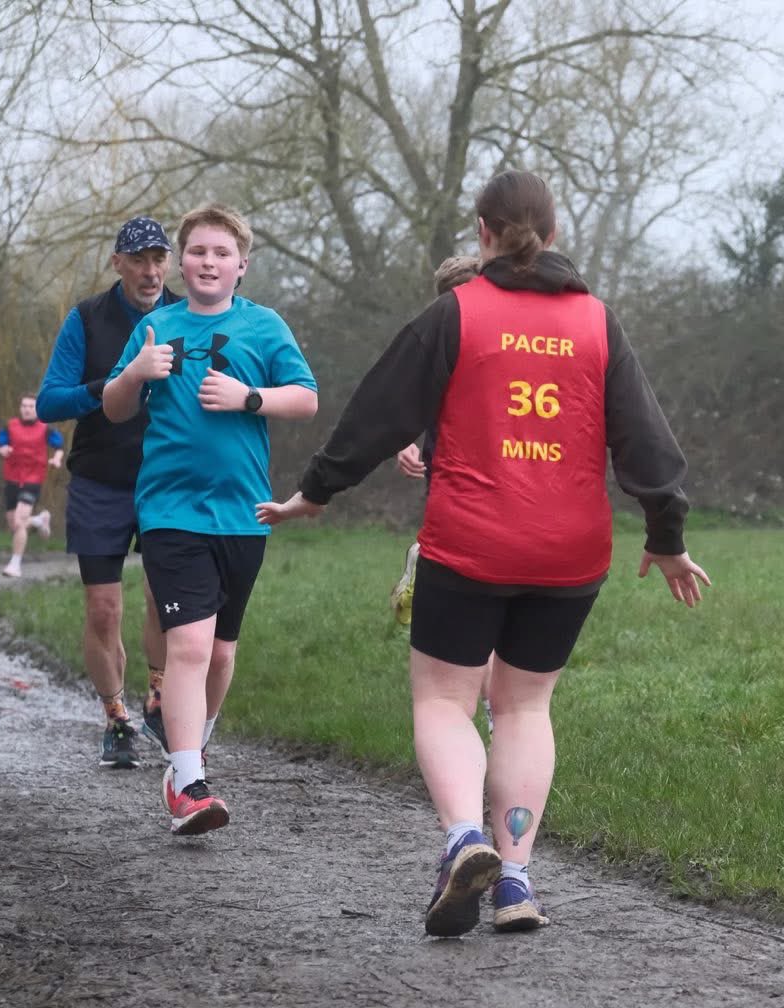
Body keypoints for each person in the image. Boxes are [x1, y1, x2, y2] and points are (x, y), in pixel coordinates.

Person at [256, 169, 710, 937]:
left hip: (470, 543)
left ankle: (466, 837)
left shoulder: (455, 313)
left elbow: (378, 408)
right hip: (570, 552)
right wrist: (666, 536)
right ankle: (517, 880)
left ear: (483, 233)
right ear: (556, 235)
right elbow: (647, 440)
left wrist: (317, 490)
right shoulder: (599, 322)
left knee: (444, 701)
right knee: (526, 706)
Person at [103, 203, 318, 836]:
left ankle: (188, 749)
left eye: (222, 253)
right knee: (190, 646)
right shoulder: (155, 327)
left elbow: (305, 399)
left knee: (222, 653)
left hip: (243, 514)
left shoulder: (265, 326)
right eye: (197, 251)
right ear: (182, 260)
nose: (208, 262)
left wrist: (249, 397)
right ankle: (189, 781)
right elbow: (113, 408)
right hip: (171, 510)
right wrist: (137, 373)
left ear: (241, 266)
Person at [36, 216, 181, 769]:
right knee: (103, 608)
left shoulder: (185, 315)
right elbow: (50, 402)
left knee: (165, 602)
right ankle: (116, 716)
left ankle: (162, 699)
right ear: (116, 263)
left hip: (168, 479)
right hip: (100, 478)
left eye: (158, 259)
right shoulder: (87, 319)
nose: (150, 271)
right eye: (138, 260)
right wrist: (120, 381)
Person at [389, 255, 495, 734]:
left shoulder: (508, 351)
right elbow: (402, 409)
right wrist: (407, 446)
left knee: (494, 605)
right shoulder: (438, 346)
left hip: (507, 491)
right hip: (452, 491)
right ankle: (478, 704)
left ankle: (494, 705)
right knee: (474, 611)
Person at [0, 393, 64, 578]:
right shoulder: (10, 426)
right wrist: (4, 449)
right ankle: (39, 520)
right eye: (24, 406)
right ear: (20, 408)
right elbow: (2, 443)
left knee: (19, 521)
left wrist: (57, 459)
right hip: (12, 478)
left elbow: (59, 446)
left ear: (36, 409)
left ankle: (15, 564)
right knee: (13, 524)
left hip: (32, 479)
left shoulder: (45, 429)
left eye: (31, 406)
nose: (27, 409)